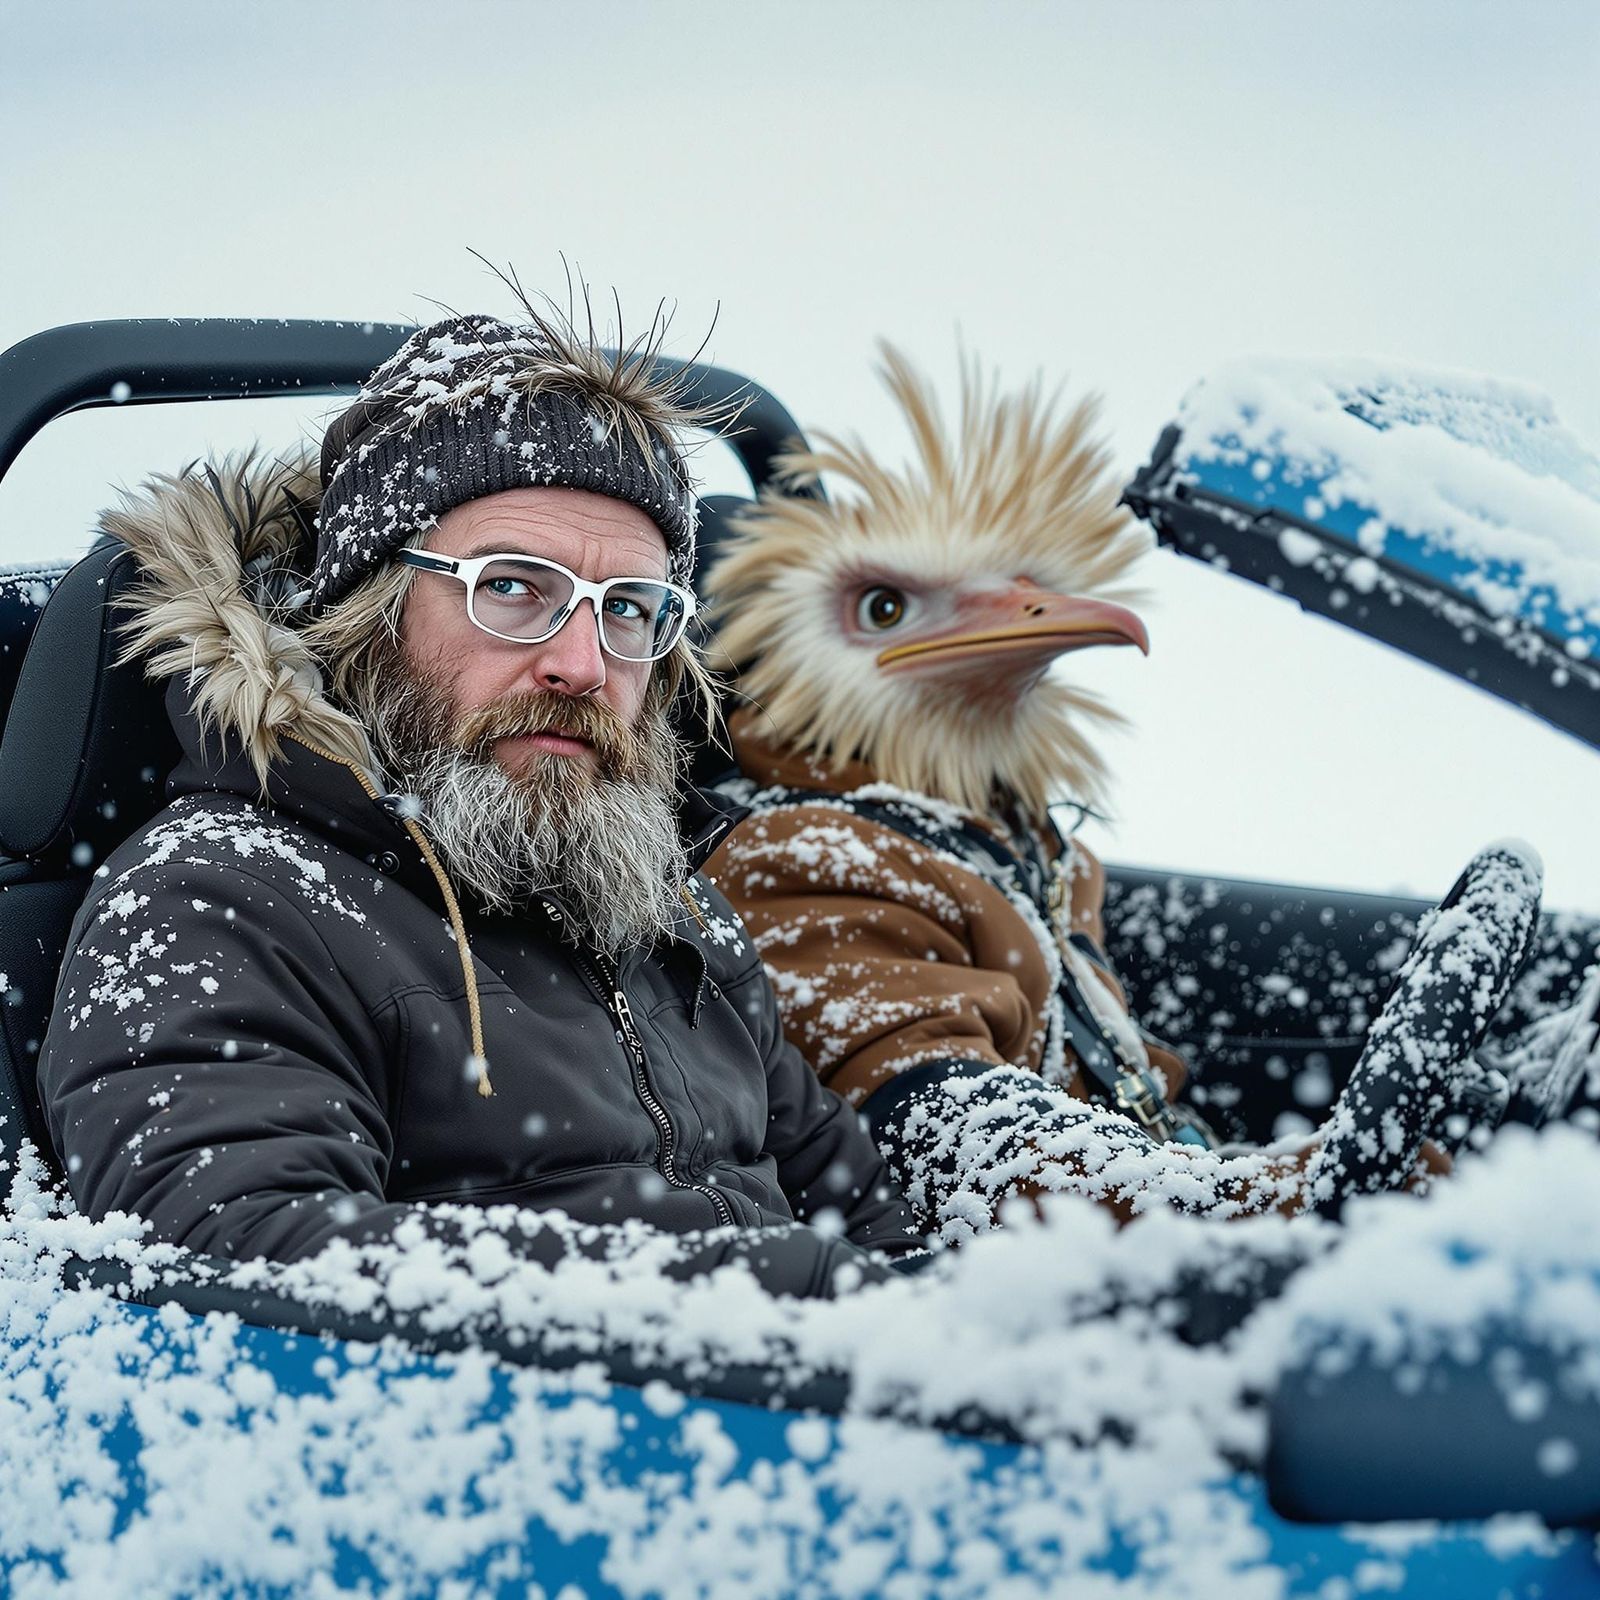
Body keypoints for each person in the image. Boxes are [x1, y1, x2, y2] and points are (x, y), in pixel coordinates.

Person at [37, 305, 926, 1296]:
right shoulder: (222, 899)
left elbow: (866, 1215)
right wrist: (778, 1290)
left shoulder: (661, 901)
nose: (581, 664)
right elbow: (252, 1269)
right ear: (367, 614)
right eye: (512, 588)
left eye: (628, 609)